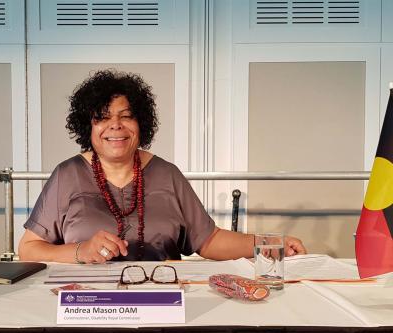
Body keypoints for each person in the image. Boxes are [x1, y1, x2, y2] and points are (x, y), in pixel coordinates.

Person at [18, 70, 306, 263]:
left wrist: (269, 243)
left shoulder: (167, 174)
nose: (115, 125)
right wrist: (81, 251)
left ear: (140, 124)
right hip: (87, 306)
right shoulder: (67, 175)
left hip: (162, 302)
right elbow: (28, 249)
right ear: (88, 127)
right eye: (102, 118)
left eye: (126, 116)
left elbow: (209, 240)